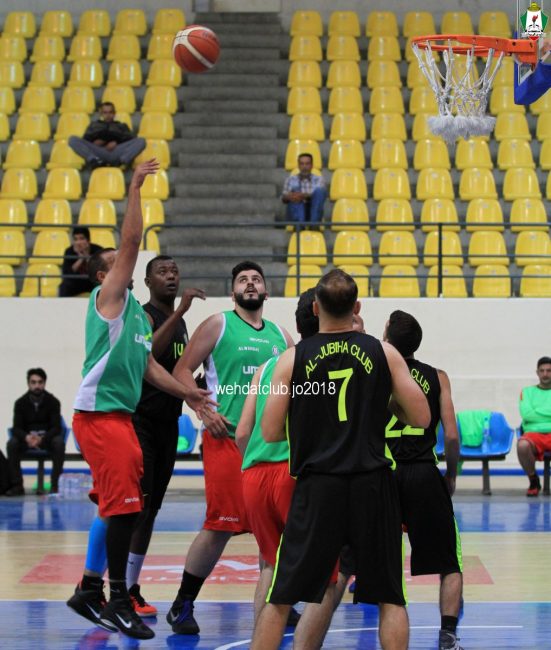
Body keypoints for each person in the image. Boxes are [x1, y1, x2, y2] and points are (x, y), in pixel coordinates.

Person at [66, 160, 213, 641]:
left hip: (120, 418)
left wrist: (190, 394)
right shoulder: (107, 298)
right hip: (98, 415)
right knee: (128, 508)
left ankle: (90, 591)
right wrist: (134, 187)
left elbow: (150, 367)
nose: (124, 264)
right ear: (104, 275)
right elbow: (131, 242)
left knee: (120, 507)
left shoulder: (133, 315)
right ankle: (115, 600)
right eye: (117, 263)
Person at [251, 269, 430, 650]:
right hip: (372, 484)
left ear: (316, 308)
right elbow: (421, 418)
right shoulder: (384, 352)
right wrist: (383, 404)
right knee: (391, 598)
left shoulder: (292, 359)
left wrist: (312, 426)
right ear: (357, 307)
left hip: (318, 485)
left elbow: (269, 431)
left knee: (280, 597)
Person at [166, 260, 294, 635]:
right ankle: (182, 604)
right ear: (233, 291)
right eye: (242, 280)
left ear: (266, 291)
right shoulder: (218, 324)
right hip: (226, 438)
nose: (250, 284)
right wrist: (201, 409)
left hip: (269, 445)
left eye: (256, 279)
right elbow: (181, 370)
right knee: (220, 526)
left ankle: (277, 601)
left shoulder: (282, 336)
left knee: (276, 527)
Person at [126, 256, 205, 615]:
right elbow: (149, 355)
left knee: (151, 511)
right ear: (147, 282)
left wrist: (198, 387)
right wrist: (180, 310)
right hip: (140, 422)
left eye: (174, 271)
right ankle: (118, 588)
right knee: (137, 510)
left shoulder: (182, 324)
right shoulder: (143, 316)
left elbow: (176, 371)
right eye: (162, 272)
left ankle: (131, 587)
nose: (171, 276)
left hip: (168, 424)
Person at [383, 310, 464, 650]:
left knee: (365, 561)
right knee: (450, 563)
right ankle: (447, 635)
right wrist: (451, 475)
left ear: (388, 339)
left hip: (383, 473)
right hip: (423, 473)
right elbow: (452, 437)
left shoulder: (377, 372)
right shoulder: (438, 376)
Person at [6, 368, 64, 496]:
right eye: (33, 382)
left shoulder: (53, 402)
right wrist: (26, 437)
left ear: (44, 383)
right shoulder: (20, 403)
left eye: (40, 382)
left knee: (59, 442)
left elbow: (56, 427)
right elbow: (16, 428)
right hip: (27, 441)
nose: (37, 386)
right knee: (12, 444)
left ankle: (55, 485)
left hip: (46, 440)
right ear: (28, 383)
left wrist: (42, 439)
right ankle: (17, 486)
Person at [68, 102, 146, 169]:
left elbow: (130, 138)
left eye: (110, 112)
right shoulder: (94, 125)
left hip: (116, 151)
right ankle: (95, 160)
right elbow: (86, 139)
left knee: (141, 141)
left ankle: (121, 162)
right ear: (101, 113)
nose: (108, 115)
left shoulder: (121, 125)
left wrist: (116, 142)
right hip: (98, 151)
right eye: (105, 112)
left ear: (114, 113)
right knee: (72, 139)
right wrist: (95, 142)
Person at [517, 355, 551, 497]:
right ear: (537, 372)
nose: (545, 374)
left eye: (549, 370)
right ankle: (533, 480)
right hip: (533, 434)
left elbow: (532, 414)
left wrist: (536, 411)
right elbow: (526, 415)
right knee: (522, 445)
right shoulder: (527, 392)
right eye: (542, 371)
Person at [282, 153, 327, 226]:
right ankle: (299, 225)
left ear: (311, 165)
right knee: (295, 191)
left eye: (307, 164)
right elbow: (283, 198)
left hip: (313, 211)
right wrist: (291, 196)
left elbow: (319, 196)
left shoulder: (319, 179)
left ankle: (314, 225)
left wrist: (302, 195)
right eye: (302, 164)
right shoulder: (290, 179)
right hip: (295, 211)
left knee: (319, 191)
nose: (304, 167)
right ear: (298, 165)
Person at [59, 227, 103, 297]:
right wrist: (81, 259)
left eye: (81, 238)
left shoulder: (98, 250)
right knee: (64, 286)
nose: (78, 242)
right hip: (76, 281)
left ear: (88, 240)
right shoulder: (69, 251)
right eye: (75, 239)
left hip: (91, 281)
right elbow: (66, 273)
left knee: (102, 284)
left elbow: (98, 270)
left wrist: (86, 256)